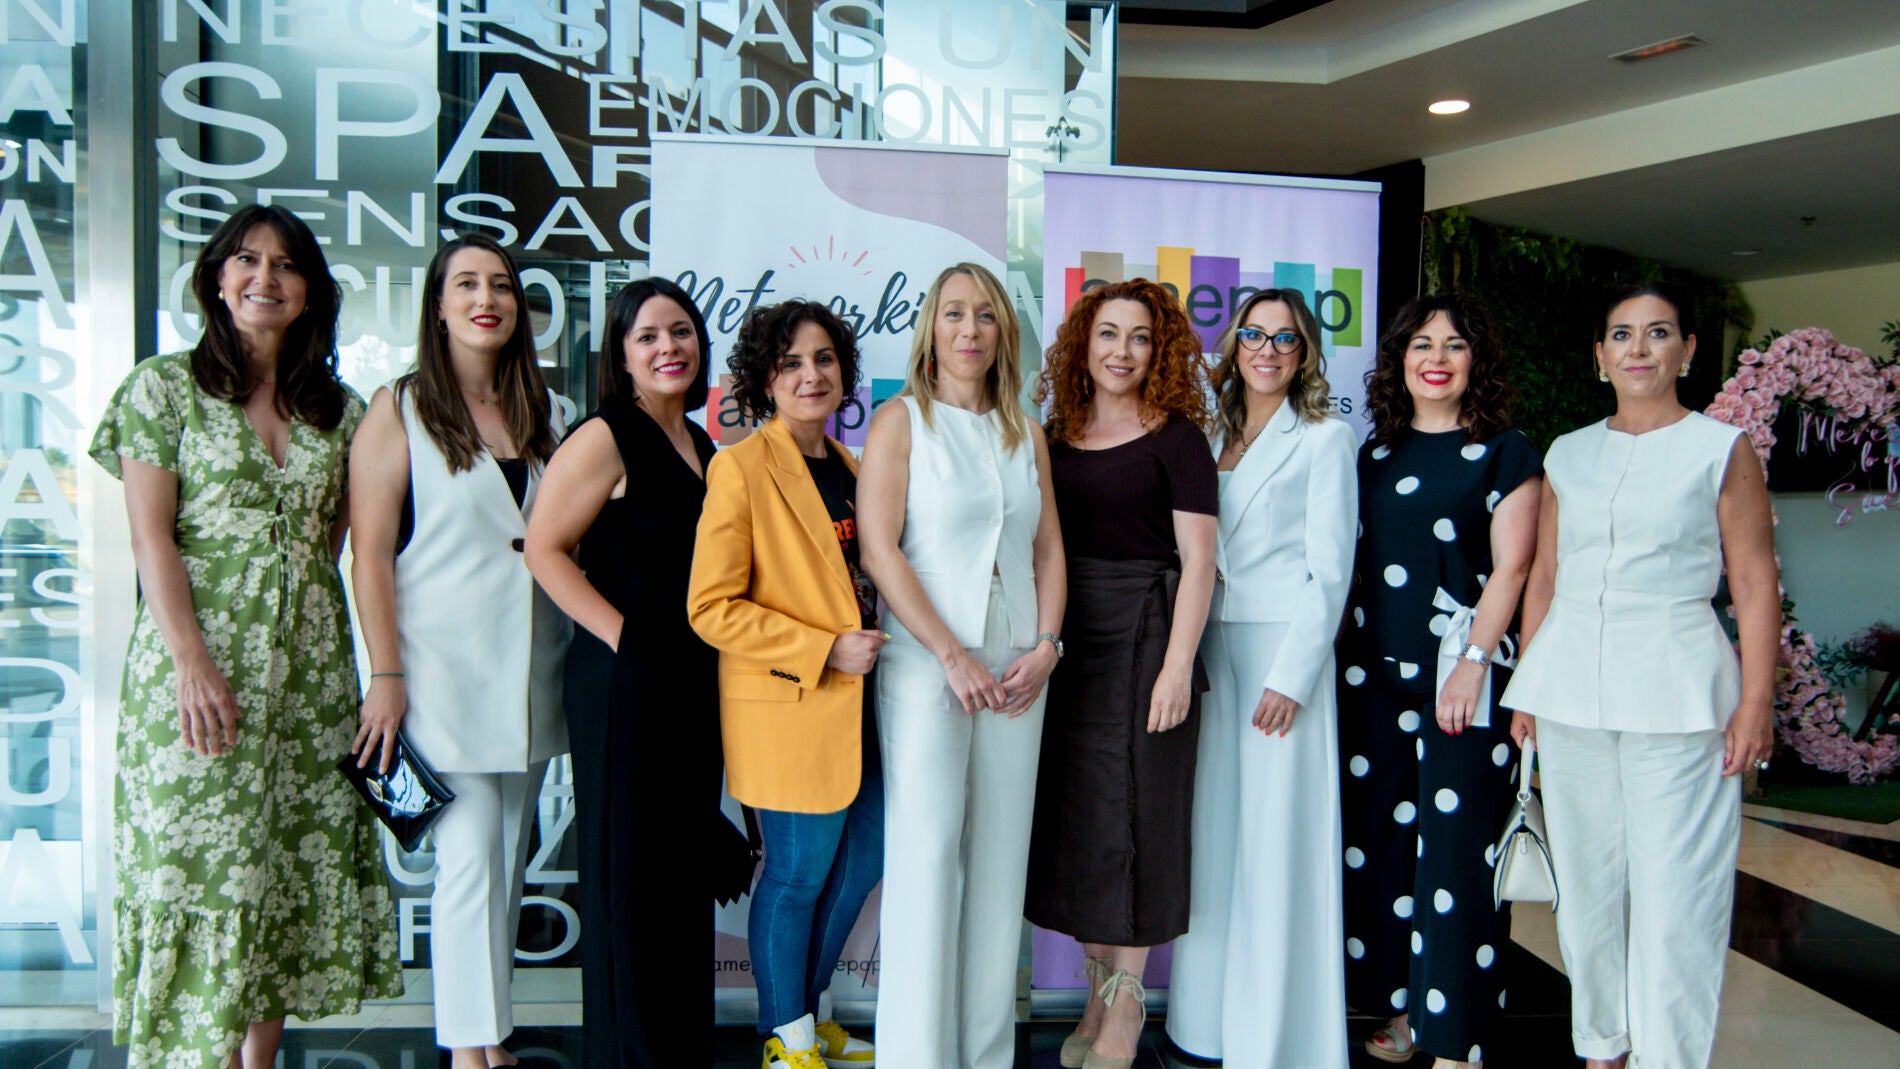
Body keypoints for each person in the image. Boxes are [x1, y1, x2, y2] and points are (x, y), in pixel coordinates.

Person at [89, 204, 403, 1069]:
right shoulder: (162, 388)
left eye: (286, 265)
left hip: (309, 674)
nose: (266, 277)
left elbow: (334, 545)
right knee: (193, 862)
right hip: (194, 664)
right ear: (217, 278)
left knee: (283, 863)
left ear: (310, 292)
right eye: (247, 259)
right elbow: (151, 538)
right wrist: (192, 660)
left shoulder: (340, 411)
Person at [1503, 282, 1778, 1069]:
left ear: (1686, 350)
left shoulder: (1720, 448)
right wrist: (1529, 686)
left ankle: (1668, 1056)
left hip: (1677, 687)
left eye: (1658, 332)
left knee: (1675, 893)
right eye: (1622, 334)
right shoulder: (1568, 451)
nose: (1638, 348)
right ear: (1600, 354)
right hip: (1571, 689)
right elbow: (1546, 574)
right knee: (1587, 885)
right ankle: (1603, 1046)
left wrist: (1756, 699)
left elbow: (1754, 579)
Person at [348, 233, 568, 1069]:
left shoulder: (544, 412)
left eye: (502, 285)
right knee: (470, 858)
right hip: (439, 676)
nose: (487, 299)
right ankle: (472, 1052)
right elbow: (370, 553)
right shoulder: (397, 409)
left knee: (505, 861)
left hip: (529, 675)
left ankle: (486, 1038)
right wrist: (386, 674)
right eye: (467, 284)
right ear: (438, 307)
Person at [856, 264, 1067, 1068]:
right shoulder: (900, 421)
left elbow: (1048, 550)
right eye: (953, 313)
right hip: (926, 664)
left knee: (1001, 858)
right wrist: (950, 653)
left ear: (1004, 331)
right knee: (927, 851)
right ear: (931, 329)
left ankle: (985, 1053)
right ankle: (916, 1054)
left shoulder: (1026, 431)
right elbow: (879, 550)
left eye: (984, 314)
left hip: (1018, 668)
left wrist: (1047, 646)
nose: (969, 329)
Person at [1338, 294, 1543, 1069]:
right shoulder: (1374, 455)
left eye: (1455, 344)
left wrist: (1473, 662)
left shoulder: (1505, 451)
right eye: (1421, 344)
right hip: (1372, 678)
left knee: (1458, 859)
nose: (1437, 358)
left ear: (1476, 360)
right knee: (1385, 849)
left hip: (1465, 679)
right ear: (1398, 360)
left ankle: (1457, 1040)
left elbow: (1514, 567)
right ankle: (1404, 1009)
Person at [522, 278, 719, 1069]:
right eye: (648, 336)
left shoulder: (701, 442)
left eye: (681, 331)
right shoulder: (605, 435)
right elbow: (544, 549)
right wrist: (624, 640)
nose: (669, 347)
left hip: (690, 680)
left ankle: (678, 1052)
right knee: (630, 878)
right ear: (623, 356)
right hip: (626, 682)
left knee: (678, 875)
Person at [1023, 279, 1218, 1069]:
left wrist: (1177, 665)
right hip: (1069, 641)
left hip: (1147, 635)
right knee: (1081, 822)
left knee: (1140, 817)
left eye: (1140, 337)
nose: (1122, 351)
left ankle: (1129, 1004)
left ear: (1159, 350)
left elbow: (1200, 561)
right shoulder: (1055, 435)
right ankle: (1100, 988)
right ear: (1084, 342)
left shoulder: (1179, 438)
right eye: (1108, 333)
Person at [687, 300, 883, 1069]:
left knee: (862, 864)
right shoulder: (739, 467)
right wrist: (822, 648)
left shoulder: (855, 468)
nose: (811, 374)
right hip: (791, 703)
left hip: (867, 707)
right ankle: (785, 1035)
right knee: (799, 873)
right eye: (791, 362)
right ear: (764, 379)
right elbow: (710, 606)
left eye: (824, 358)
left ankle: (804, 1011)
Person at [1165, 290, 1359, 1068]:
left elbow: (1331, 570)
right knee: (1214, 837)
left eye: (1285, 337)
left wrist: (1294, 675)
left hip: (1282, 655)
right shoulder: (1206, 433)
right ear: (1234, 345)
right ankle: (1204, 1024)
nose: (1267, 349)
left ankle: (1278, 1037)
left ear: (1305, 352)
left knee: (1277, 842)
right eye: (1254, 333)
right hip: (1210, 649)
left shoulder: (1326, 437)